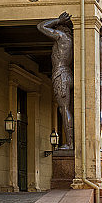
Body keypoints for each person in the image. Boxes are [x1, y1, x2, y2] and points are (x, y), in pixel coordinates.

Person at [37, 12, 74, 150]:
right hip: (68, 74)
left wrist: (57, 19)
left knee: (64, 109)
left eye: (57, 26)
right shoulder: (71, 40)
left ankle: (70, 144)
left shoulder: (61, 37)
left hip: (60, 74)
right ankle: (71, 142)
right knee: (68, 109)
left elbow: (41, 26)